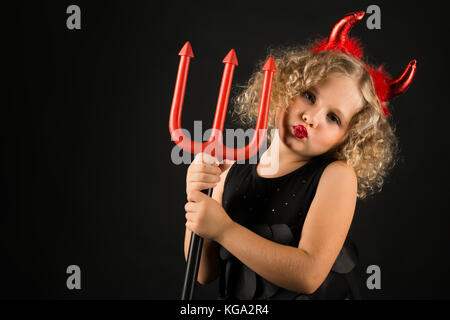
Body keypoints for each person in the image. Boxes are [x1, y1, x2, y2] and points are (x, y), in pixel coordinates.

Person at [183, 11, 416, 300]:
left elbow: (308, 276)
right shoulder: (229, 171)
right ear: (284, 87)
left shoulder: (335, 177)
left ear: (349, 137)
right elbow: (205, 273)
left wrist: (225, 230)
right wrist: (197, 195)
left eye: (333, 117)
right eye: (309, 95)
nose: (312, 117)